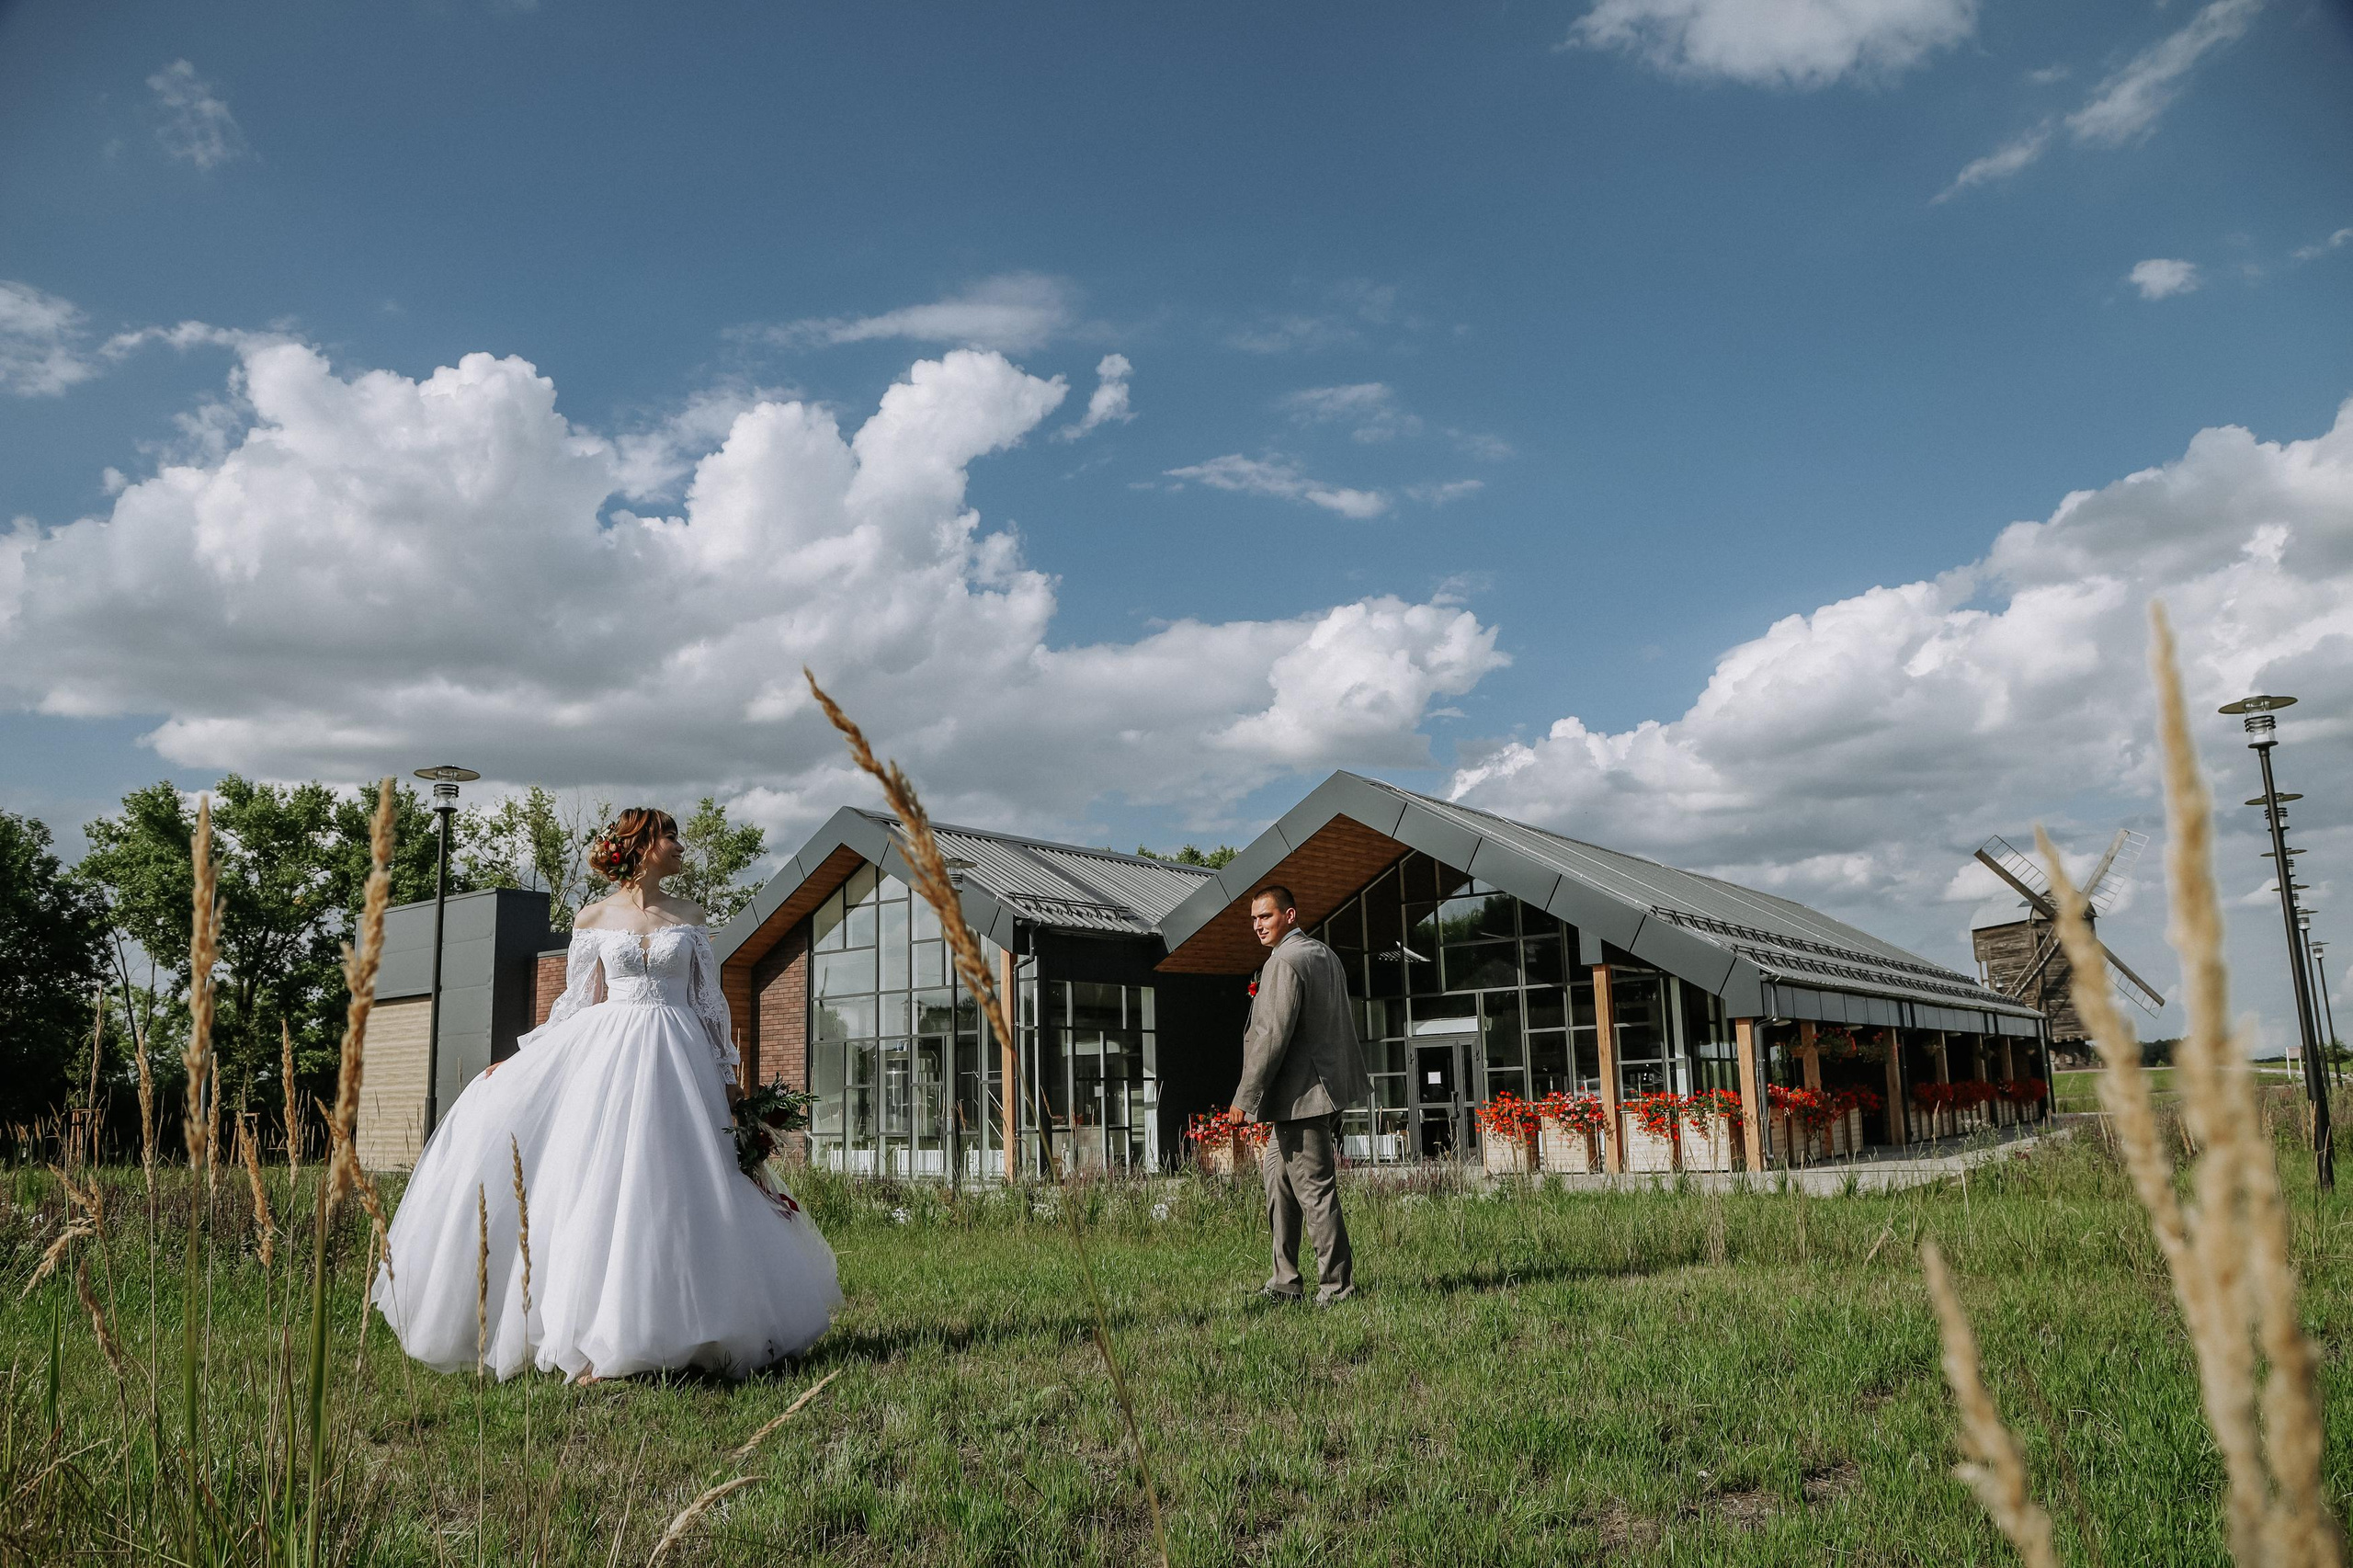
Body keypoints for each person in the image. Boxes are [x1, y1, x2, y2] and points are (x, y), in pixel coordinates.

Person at [373, 807, 840, 1381]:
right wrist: (521, 1060)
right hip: (609, 1062)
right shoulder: (593, 916)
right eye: (670, 836)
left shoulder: (692, 918)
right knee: (602, 1187)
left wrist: (730, 1083)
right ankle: (593, 1338)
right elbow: (574, 1004)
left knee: (678, 1185)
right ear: (643, 846)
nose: (679, 845)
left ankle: (697, 1329)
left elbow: (710, 1006)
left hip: (679, 1060)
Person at [1231, 884, 1373, 1304]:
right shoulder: (1323, 955)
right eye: (1254, 918)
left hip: (1303, 1100)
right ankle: (1285, 1283)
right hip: (1318, 1093)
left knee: (1314, 1191)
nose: (1258, 925)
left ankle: (1337, 1288)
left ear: (1289, 916)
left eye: (1266, 916)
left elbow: (1271, 1035)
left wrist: (1245, 1096)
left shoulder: (1285, 961)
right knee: (1278, 1181)